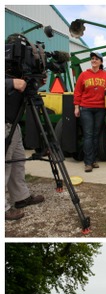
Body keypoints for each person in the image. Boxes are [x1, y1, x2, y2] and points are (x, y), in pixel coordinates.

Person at [5, 41, 45, 221]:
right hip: (4, 122)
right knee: (4, 164)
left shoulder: (13, 67)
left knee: (17, 162)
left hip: (13, 123)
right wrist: (10, 82)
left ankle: (20, 197)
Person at [73, 51, 106, 172]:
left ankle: (94, 160)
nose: (94, 60)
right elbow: (78, 91)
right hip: (86, 108)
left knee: (96, 135)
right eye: (92, 59)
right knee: (88, 135)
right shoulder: (84, 75)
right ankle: (88, 163)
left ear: (101, 62)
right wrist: (76, 107)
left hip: (100, 108)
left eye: (96, 59)